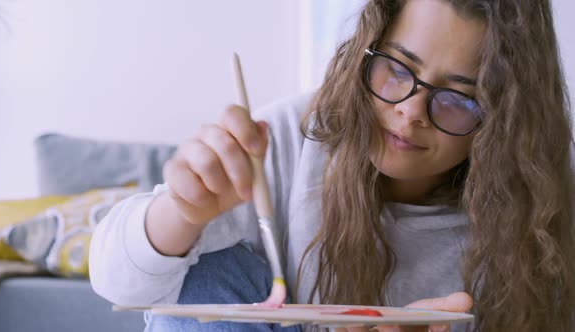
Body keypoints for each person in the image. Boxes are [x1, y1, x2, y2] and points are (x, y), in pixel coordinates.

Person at [89, 0, 575, 331]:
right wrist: (181, 213)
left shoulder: (532, 216)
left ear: (503, 119)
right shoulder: (287, 137)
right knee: (203, 270)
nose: (410, 111)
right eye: (397, 69)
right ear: (366, 50)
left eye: (457, 99)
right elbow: (115, 280)